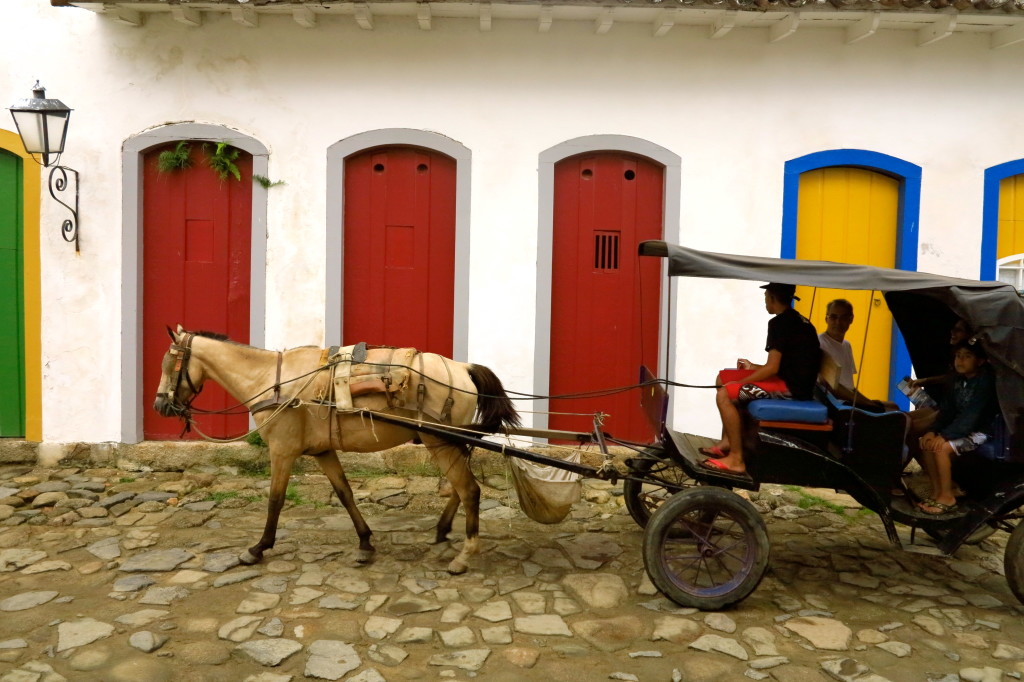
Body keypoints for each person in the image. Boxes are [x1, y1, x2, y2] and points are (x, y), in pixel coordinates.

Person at [701, 282, 821, 476]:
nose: (764, 301)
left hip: (791, 389)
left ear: (773, 298)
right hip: (792, 380)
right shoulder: (798, 320)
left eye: (766, 296)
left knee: (724, 394)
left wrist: (741, 383)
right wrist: (752, 368)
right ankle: (728, 441)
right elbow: (783, 364)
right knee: (722, 378)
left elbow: (772, 368)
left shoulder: (779, 324)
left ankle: (736, 459)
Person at [916, 340, 998, 515]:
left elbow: (971, 417)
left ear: (980, 361)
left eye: (967, 356)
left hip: (980, 432)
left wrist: (945, 436)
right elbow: (947, 411)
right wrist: (932, 431)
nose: (960, 361)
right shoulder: (957, 381)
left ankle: (947, 497)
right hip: (959, 429)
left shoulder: (984, 383)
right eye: (958, 356)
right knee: (926, 444)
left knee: (941, 449)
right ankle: (937, 492)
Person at [817, 298, 896, 413]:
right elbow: (832, 387)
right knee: (891, 411)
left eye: (843, 318)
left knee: (893, 406)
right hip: (837, 404)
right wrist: (869, 404)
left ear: (851, 319)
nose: (838, 322)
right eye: (833, 317)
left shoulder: (846, 345)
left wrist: (869, 402)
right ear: (826, 319)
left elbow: (850, 387)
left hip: (849, 400)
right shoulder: (820, 344)